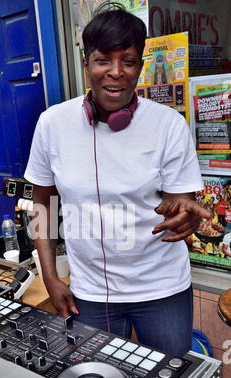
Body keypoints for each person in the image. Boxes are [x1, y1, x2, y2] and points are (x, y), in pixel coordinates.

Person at [24, 3, 209, 357]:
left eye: (128, 61)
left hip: (162, 290)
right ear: (86, 65)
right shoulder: (52, 124)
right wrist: (49, 275)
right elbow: (42, 203)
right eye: (103, 60)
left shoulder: (168, 125)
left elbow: (179, 206)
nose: (116, 72)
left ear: (140, 67)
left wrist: (186, 215)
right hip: (91, 293)